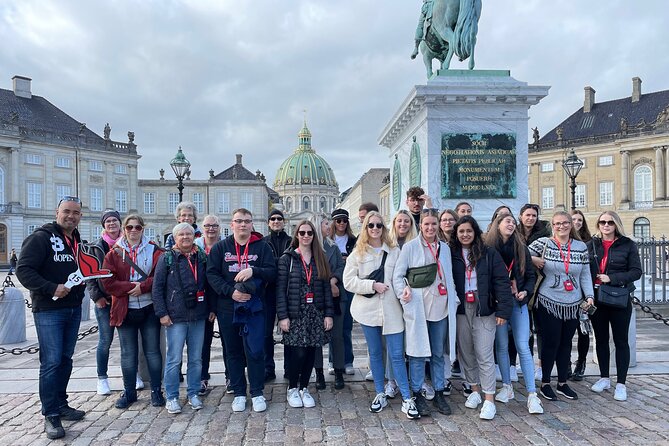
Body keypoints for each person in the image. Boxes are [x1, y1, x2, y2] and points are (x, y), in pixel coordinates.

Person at [16, 196, 87, 439]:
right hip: (49, 309)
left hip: (73, 307)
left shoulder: (75, 239)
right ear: (57, 212)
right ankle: (50, 414)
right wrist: (50, 287)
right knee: (51, 362)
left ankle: (61, 403)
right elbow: (23, 270)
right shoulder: (40, 238)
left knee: (66, 359)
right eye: (67, 211)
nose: (71, 216)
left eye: (76, 212)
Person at [344, 211, 420, 419]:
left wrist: (405, 288)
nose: (375, 229)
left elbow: (401, 275)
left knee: (396, 355)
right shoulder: (358, 253)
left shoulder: (395, 251)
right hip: (368, 310)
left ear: (384, 228)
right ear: (365, 228)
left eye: (379, 225)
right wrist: (371, 285)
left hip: (392, 309)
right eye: (371, 225)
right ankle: (380, 392)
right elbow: (348, 282)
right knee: (376, 353)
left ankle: (406, 397)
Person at [207, 208, 277, 413]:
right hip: (229, 307)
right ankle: (238, 392)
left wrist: (254, 270)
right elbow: (212, 275)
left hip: (254, 308)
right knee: (233, 351)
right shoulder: (221, 248)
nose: (243, 224)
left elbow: (273, 273)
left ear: (252, 224)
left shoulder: (262, 247)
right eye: (239, 221)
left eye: (247, 221)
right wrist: (230, 292)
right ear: (232, 224)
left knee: (255, 351)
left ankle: (257, 392)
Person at [393, 209, 458, 417]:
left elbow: (449, 276)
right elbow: (398, 275)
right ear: (420, 225)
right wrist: (403, 290)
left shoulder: (445, 249)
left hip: (440, 308)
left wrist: (453, 298)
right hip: (418, 307)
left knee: (438, 353)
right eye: (426, 224)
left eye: (434, 224)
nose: (430, 228)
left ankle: (439, 391)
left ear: (438, 225)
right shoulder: (411, 248)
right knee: (418, 353)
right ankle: (417, 393)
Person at [450, 216, 513, 420]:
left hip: (483, 306)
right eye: (461, 231)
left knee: (484, 353)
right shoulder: (451, 254)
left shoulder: (489, 253)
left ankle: (489, 399)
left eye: (469, 231)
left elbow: (502, 281)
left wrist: (503, 310)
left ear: (475, 232)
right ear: (456, 234)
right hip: (461, 308)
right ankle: (475, 390)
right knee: (466, 351)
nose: (465, 235)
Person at [528, 211, 595, 402]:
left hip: (573, 302)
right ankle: (546, 383)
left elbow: (584, 274)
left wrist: (589, 296)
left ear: (570, 225)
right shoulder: (544, 243)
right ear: (552, 225)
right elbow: (521, 252)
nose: (561, 227)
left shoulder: (580, 246)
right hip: (548, 301)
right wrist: (534, 259)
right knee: (551, 342)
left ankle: (563, 382)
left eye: (565, 223)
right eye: (557, 224)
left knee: (566, 343)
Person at [101, 215, 165, 410]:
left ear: (143, 229)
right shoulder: (114, 253)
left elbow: (160, 276)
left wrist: (143, 287)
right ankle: (129, 391)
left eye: (137, 227)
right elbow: (107, 281)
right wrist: (131, 287)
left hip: (149, 308)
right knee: (128, 353)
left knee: (153, 352)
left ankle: (156, 390)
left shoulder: (155, 250)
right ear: (124, 229)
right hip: (125, 308)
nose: (133, 230)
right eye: (129, 227)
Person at [486, 214, 543, 414]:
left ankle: (532, 394)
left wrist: (526, 291)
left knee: (522, 346)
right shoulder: (489, 249)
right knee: (501, 346)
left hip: (518, 303)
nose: (510, 224)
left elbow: (529, 276)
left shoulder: (521, 249)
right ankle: (507, 387)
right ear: (497, 225)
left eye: (512, 221)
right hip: (499, 304)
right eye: (506, 221)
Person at [153, 223, 210, 414]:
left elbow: (209, 285)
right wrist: (162, 313)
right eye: (181, 235)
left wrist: (211, 308)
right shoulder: (167, 258)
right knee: (174, 359)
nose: (186, 237)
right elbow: (157, 288)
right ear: (175, 238)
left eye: (189, 234)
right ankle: (172, 396)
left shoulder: (201, 257)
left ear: (194, 236)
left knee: (196, 358)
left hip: (198, 315)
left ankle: (193, 392)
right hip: (176, 316)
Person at [276, 220, 334, 408]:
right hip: (296, 312)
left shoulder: (320, 258)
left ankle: (304, 388)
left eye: (309, 233)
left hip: (315, 312)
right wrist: (283, 316)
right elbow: (280, 290)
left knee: (311, 351)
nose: (306, 236)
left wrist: (328, 314)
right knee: (298, 353)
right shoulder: (287, 258)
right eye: (302, 233)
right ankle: (292, 388)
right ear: (297, 235)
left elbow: (326, 288)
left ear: (314, 236)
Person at [588, 211, 642, 401]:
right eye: (602, 222)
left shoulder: (627, 245)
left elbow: (636, 271)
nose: (606, 225)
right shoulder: (592, 245)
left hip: (619, 298)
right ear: (598, 225)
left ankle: (621, 383)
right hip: (598, 298)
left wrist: (612, 278)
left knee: (620, 341)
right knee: (601, 339)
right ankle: (604, 377)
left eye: (610, 222)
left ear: (616, 224)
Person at [86, 209, 122, 396]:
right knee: (105, 341)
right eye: (108, 221)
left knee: (127, 342)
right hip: (105, 301)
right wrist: (96, 297)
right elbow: (89, 275)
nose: (111, 224)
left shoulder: (127, 244)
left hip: (124, 300)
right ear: (103, 225)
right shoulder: (95, 247)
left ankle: (131, 376)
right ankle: (102, 378)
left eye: (114, 220)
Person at [310, 213, 347, 390]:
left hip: (335, 296)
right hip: (316, 298)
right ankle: (319, 373)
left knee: (337, 336)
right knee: (317, 337)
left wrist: (333, 280)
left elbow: (341, 267)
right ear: (318, 226)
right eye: (326, 224)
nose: (329, 227)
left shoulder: (333, 246)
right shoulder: (309, 247)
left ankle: (339, 371)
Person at [194, 215, 225, 395]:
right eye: (207, 225)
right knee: (203, 342)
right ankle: (202, 376)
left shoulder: (224, 246)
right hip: (202, 301)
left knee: (229, 342)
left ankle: (230, 376)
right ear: (202, 227)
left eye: (214, 225)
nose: (211, 229)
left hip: (223, 298)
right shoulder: (195, 246)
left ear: (219, 227)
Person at [264, 209, 292, 382]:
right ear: (268, 222)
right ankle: (268, 368)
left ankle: (290, 368)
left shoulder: (291, 241)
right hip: (268, 291)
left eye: (279, 218)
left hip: (288, 291)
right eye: (273, 219)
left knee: (289, 331)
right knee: (266, 333)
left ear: (284, 221)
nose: (276, 221)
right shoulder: (263, 242)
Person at [331, 208, 357, 375]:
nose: (341, 223)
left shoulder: (354, 240)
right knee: (333, 326)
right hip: (333, 284)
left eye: (344, 221)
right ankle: (333, 361)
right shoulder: (326, 241)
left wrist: (348, 259)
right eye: (338, 220)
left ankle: (348, 360)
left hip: (349, 285)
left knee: (346, 326)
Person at [570, 209, 592, 381]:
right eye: (573, 219)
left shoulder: (590, 243)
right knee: (568, 331)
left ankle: (581, 362)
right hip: (567, 293)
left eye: (579, 220)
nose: (577, 222)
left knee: (583, 330)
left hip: (584, 293)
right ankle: (566, 362)